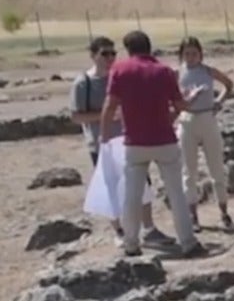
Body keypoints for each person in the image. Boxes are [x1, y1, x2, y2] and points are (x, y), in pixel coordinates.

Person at [99, 30, 204, 259]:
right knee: (176, 193)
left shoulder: (120, 70)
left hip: (135, 142)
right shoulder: (164, 71)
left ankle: (131, 243)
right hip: (164, 140)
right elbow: (180, 105)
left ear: (128, 49)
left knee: (132, 195)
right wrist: (191, 98)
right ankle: (188, 242)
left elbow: (110, 105)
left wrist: (104, 136)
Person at [70, 37, 172, 248]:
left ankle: (148, 228)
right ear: (93, 55)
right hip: (102, 144)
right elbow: (76, 116)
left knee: (142, 183)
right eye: (104, 54)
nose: (109, 58)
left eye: (112, 53)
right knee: (111, 187)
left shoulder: (120, 76)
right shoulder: (83, 83)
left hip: (129, 140)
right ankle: (119, 231)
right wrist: (105, 116)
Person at [175, 38, 234, 231]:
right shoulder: (177, 73)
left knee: (216, 168)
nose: (191, 57)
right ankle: (193, 215)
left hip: (207, 118)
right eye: (187, 54)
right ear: (181, 55)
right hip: (187, 120)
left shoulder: (208, 71)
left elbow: (228, 84)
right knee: (189, 171)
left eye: (194, 53)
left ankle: (224, 213)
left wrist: (219, 102)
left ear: (200, 54)